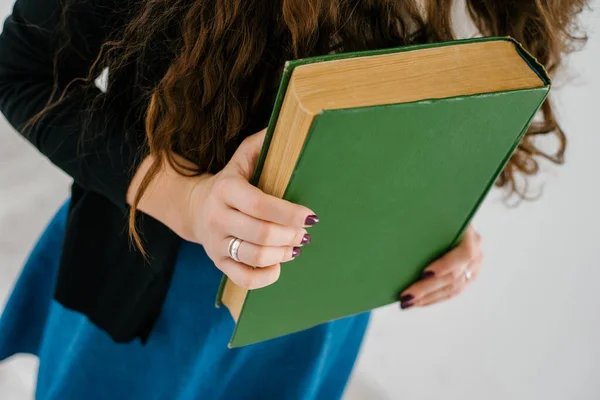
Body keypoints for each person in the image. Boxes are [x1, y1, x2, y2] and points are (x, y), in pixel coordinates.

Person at [0, 0, 586, 398]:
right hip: (156, 273)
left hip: (320, 307)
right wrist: (189, 199)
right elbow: (21, 72)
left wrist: (440, 216)